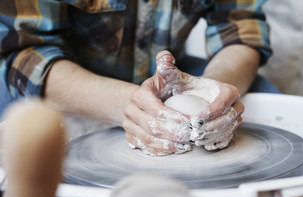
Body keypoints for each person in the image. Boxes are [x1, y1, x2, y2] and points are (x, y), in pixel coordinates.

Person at [0, 0, 274, 155]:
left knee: (268, 101)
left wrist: (210, 92)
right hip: (67, 78)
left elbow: (240, 28)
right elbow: (23, 51)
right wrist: (132, 105)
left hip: (167, 71)